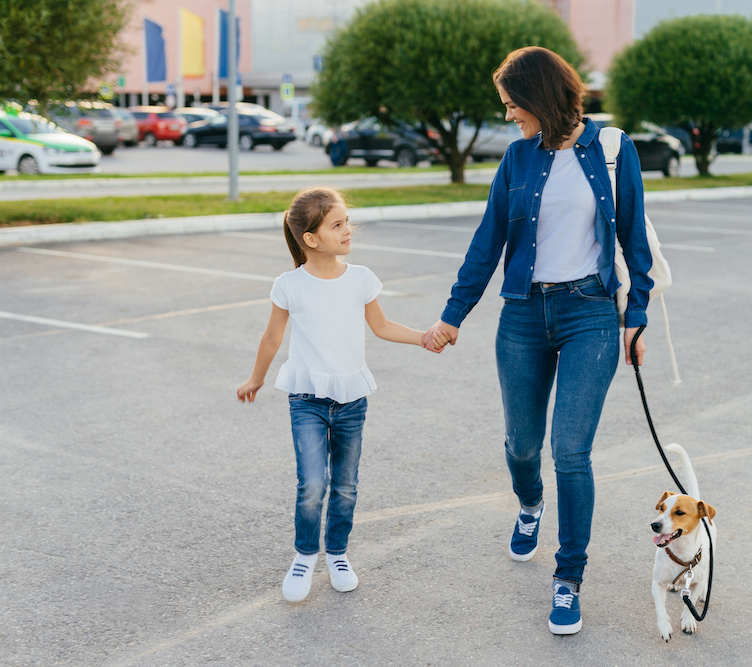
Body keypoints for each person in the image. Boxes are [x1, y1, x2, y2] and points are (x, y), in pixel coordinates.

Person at [422, 46, 653, 635]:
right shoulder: (519, 158)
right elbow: (488, 239)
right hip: (523, 314)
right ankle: (530, 504)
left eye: (511, 105)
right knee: (523, 447)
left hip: (591, 315)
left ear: (540, 97)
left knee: (570, 451)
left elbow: (633, 238)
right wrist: (454, 314)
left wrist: (638, 316)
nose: (507, 117)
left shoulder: (611, 150)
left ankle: (568, 578)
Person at [238, 186, 448, 602]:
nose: (348, 229)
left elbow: (383, 327)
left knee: (346, 485)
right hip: (307, 399)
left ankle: (337, 552)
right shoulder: (289, 285)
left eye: (347, 221)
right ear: (311, 239)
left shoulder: (362, 279)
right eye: (337, 225)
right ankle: (304, 555)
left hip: (352, 399)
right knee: (312, 484)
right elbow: (272, 337)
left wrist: (423, 337)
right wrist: (257, 378)